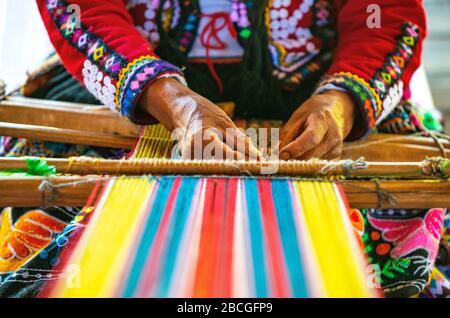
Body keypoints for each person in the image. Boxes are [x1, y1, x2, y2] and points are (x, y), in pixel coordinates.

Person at [1, 0, 448, 298]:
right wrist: (169, 98)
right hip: (132, 93)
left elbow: (384, 12)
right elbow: (82, 9)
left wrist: (342, 103)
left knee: (401, 252)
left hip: (325, 87)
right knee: (48, 242)